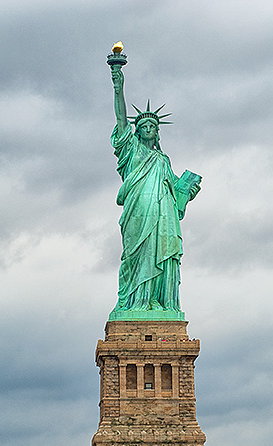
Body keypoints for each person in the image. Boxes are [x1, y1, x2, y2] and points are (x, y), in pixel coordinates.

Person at [109, 62, 200, 318]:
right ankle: (135, 301)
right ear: (136, 131)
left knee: (162, 252)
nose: (148, 129)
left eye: (153, 126)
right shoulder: (131, 151)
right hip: (139, 212)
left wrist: (187, 189)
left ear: (157, 132)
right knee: (136, 255)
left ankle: (159, 302)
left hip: (164, 216)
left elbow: (176, 191)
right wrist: (119, 86)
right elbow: (119, 117)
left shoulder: (163, 160)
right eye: (144, 126)